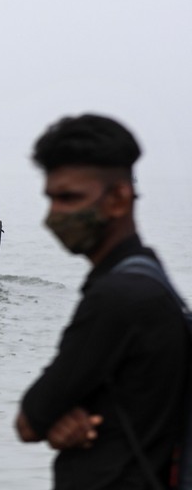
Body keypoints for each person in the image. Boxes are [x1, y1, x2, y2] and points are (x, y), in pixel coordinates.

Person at [16, 114, 187, 489]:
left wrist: (54, 419)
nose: (54, 217)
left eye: (70, 198)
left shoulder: (116, 300)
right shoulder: (152, 281)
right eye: (51, 199)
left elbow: (30, 420)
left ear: (119, 198)